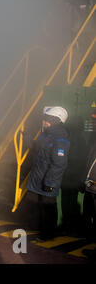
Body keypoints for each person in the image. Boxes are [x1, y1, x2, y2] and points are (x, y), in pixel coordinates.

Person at [25, 106, 70, 241]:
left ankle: (48, 235)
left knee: (48, 207)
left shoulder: (61, 139)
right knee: (33, 202)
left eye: (47, 119)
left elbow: (59, 164)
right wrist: (27, 139)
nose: (44, 121)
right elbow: (37, 150)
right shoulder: (46, 134)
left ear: (56, 120)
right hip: (37, 178)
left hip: (48, 180)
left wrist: (50, 183)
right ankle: (34, 228)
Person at [81, 110, 96, 259]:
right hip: (91, 184)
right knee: (89, 213)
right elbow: (90, 162)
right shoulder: (94, 137)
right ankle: (91, 238)